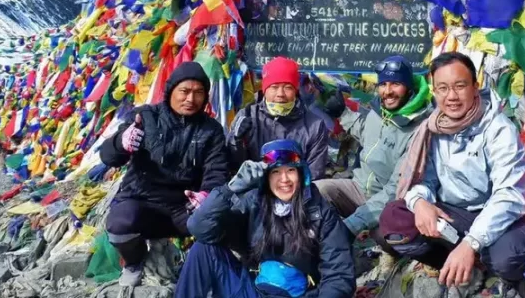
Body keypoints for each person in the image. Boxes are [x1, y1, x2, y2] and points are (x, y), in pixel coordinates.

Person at [378, 52, 525, 297]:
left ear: (475, 86)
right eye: (443, 88)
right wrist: (420, 202)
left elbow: (509, 195)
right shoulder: (432, 128)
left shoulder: (499, 128)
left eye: (460, 86)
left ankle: (491, 272)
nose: (451, 96)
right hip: (454, 215)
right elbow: (424, 180)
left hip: (498, 217)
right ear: (434, 91)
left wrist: (471, 243)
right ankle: (462, 268)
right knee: (393, 221)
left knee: (509, 258)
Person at [101, 61, 229, 287]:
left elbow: (216, 170)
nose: (191, 99)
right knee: (119, 226)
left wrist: (206, 195)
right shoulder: (144, 117)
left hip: (182, 205)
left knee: (219, 226)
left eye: (199, 93)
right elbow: (109, 157)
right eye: (185, 91)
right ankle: (134, 260)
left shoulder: (211, 130)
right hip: (140, 199)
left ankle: (202, 273)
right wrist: (122, 143)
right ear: (171, 91)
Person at [176, 139, 356, 298]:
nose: (284, 179)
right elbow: (199, 228)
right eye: (275, 172)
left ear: (302, 175)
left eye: (291, 170)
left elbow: (339, 275)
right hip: (252, 290)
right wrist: (230, 189)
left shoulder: (320, 213)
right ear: (266, 178)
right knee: (203, 248)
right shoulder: (253, 203)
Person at [315, 57, 433, 253]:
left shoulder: (418, 129)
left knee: (385, 231)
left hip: (390, 201)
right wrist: (343, 113)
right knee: (316, 191)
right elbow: (366, 132)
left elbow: (395, 190)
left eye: (396, 84)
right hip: (359, 187)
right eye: (383, 84)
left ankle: (381, 255)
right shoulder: (380, 110)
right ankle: (321, 248)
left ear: (409, 87)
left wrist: (352, 225)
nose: (388, 91)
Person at [227, 57, 331, 180]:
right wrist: (236, 141)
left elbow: (315, 174)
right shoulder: (248, 115)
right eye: (274, 87)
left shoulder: (315, 125)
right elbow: (233, 167)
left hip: (296, 192)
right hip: (253, 191)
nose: (280, 94)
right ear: (265, 90)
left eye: (287, 87)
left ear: (295, 90)